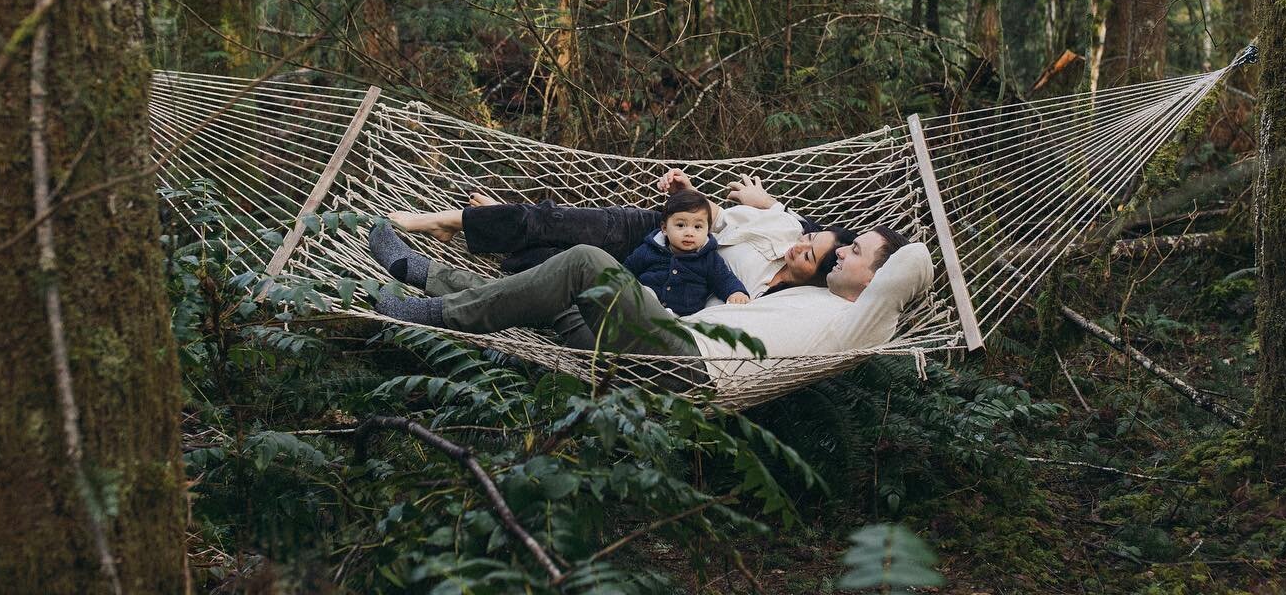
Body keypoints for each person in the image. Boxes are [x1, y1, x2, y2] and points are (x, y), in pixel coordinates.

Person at [371, 224, 928, 391]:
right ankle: (420, 273)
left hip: (687, 367)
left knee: (586, 260)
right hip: (658, 349)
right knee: (558, 297)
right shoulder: (810, 294)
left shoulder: (867, 322)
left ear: (880, 278)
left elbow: (913, 263)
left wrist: (910, 242)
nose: (843, 254)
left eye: (856, 252)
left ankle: (436, 315)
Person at [383, 169, 855, 299]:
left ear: (815, 274)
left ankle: (491, 222)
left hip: (656, 274)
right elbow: (721, 216)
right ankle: (444, 221)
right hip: (658, 228)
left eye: (808, 254)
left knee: (538, 263)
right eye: (809, 239)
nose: (800, 245)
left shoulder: (768, 296)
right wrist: (691, 195)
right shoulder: (786, 223)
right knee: (552, 220)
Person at [621, 189, 749, 316]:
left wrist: (736, 292)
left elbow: (724, 278)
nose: (689, 233)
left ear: (707, 231)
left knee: (715, 308)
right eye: (681, 225)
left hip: (684, 316)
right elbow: (627, 269)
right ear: (665, 228)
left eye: (697, 227)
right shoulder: (650, 249)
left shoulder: (708, 258)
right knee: (645, 292)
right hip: (647, 307)